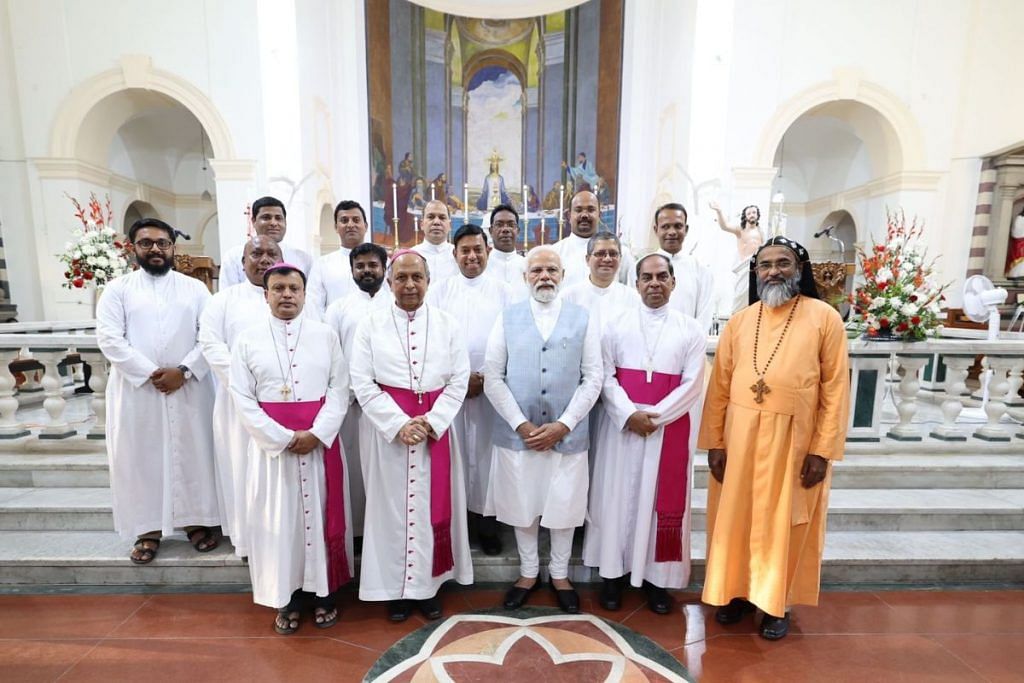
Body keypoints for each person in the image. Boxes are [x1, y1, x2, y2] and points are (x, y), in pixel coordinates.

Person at [699, 236, 849, 641]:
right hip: (740, 436)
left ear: (799, 269)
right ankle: (734, 593)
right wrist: (715, 441)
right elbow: (720, 386)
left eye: (783, 263)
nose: (773, 272)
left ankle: (775, 602)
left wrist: (822, 449)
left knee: (782, 523)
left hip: (795, 440)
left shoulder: (824, 318)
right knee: (736, 519)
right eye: (765, 265)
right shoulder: (741, 320)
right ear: (756, 272)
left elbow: (836, 387)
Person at [350, 251, 472, 622]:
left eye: (416, 277)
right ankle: (396, 589)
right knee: (391, 513)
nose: (409, 285)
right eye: (401, 278)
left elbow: (459, 379)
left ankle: (428, 587)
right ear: (389, 283)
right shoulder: (369, 325)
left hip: (435, 430)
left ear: (428, 281)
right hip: (388, 435)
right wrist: (398, 423)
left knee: (433, 507)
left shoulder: (448, 324)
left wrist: (432, 422)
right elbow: (362, 380)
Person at [229, 263, 352, 634]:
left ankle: (324, 593)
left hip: (319, 445)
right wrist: (283, 438)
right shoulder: (247, 340)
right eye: (278, 288)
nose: (286, 295)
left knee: (321, 516)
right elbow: (242, 398)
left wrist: (317, 432)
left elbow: (339, 388)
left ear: (304, 293)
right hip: (274, 454)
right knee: (279, 524)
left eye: (294, 288)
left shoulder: (325, 335)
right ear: (265, 294)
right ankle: (287, 596)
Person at [582, 254, 706, 615]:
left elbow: (693, 383)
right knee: (616, 500)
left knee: (658, 505)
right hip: (621, 431)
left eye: (662, 276)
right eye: (647, 277)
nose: (655, 283)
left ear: (673, 282)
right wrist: (629, 414)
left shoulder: (691, 329)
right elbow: (604, 376)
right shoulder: (615, 325)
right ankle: (612, 578)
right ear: (635, 283)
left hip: (666, 432)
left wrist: (655, 417)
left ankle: (657, 581)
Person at [483, 246, 602, 614]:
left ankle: (561, 574)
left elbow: (593, 376)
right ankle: (528, 573)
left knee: (564, 506)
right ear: (525, 277)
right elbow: (492, 376)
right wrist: (521, 424)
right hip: (520, 435)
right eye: (536, 270)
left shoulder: (583, 318)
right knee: (524, 505)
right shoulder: (507, 318)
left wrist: (564, 424)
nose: (544, 276)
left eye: (552, 269)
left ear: (564, 275)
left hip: (567, 435)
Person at [96, 218, 220, 564]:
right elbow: (109, 338)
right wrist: (151, 373)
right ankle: (147, 530)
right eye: (147, 243)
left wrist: (183, 371)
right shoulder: (117, 289)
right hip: (139, 392)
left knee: (194, 453)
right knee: (141, 458)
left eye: (162, 243)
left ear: (172, 248)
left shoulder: (194, 290)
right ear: (132, 247)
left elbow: (208, 336)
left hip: (189, 388)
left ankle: (196, 522)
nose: (155, 249)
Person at [428, 225, 515, 556]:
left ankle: (488, 525)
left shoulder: (506, 291)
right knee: (455, 456)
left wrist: (486, 377)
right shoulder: (439, 292)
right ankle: (456, 524)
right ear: (454, 254)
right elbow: (432, 340)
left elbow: (511, 339)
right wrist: (458, 380)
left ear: (488, 251)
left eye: (478, 249)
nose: (472, 256)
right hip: (450, 391)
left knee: (488, 457)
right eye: (464, 250)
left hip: (493, 390)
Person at [198, 236, 282, 558]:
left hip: (285, 405)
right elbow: (210, 344)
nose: (263, 259)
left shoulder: (293, 295)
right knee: (240, 469)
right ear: (242, 262)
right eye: (255, 253)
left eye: (270, 253)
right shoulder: (222, 301)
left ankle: (281, 536)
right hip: (238, 404)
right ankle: (248, 541)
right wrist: (247, 385)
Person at [324, 242, 392, 543]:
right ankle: (356, 533)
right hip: (350, 404)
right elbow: (331, 354)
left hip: (388, 403)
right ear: (351, 270)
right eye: (360, 266)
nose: (366, 270)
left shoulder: (396, 303)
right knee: (352, 469)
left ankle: (383, 532)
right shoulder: (338, 308)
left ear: (384, 267)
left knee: (383, 471)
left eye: (372, 265)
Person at [220, 196, 312, 288]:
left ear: (285, 223)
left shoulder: (303, 259)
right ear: (253, 221)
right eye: (266, 217)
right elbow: (227, 295)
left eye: (278, 218)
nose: (273, 223)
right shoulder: (233, 257)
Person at [307, 200, 378, 316]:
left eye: (356, 220)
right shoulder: (322, 265)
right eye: (344, 220)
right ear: (336, 227)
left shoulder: (381, 262)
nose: (350, 225)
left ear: (365, 226)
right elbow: (313, 305)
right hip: (334, 331)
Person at [652, 203, 715, 333]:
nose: (672, 232)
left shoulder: (701, 271)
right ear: (656, 229)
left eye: (678, 226)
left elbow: (704, 317)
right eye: (665, 227)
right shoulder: (641, 268)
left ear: (686, 229)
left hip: (687, 347)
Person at [560, 231, 640, 332]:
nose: (607, 259)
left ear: (620, 259)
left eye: (613, 254)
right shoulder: (568, 297)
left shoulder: (632, 297)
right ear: (588, 259)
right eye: (600, 254)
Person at [552, 190, 634, 288]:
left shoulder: (621, 253)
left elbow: (632, 293)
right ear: (569, 216)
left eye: (591, 210)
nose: (584, 215)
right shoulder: (554, 254)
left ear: (599, 215)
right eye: (578, 210)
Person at [710, 201, 764, 313]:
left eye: (754, 212)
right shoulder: (740, 230)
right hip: (744, 267)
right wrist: (719, 211)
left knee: (755, 296)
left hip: (757, 267)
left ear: (758, 215)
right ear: (745, 216)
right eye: (749, 213)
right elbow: (724, 226)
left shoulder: (760, 231)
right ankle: (735, 318)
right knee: (740, 296)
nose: (752, 215)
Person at [484, 204, 529, 300]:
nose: (505, 229)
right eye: (499, 225)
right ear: (491, 231)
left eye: (511, 225)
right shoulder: (482, 266)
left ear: (518, 231)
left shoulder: (528, 265)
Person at [412, 199, 458, 283]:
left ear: (450, 225)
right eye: (431, 217)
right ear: (421, 224)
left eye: (442, 217)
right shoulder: (411, 255)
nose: (436, 222)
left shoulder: (459, 255)